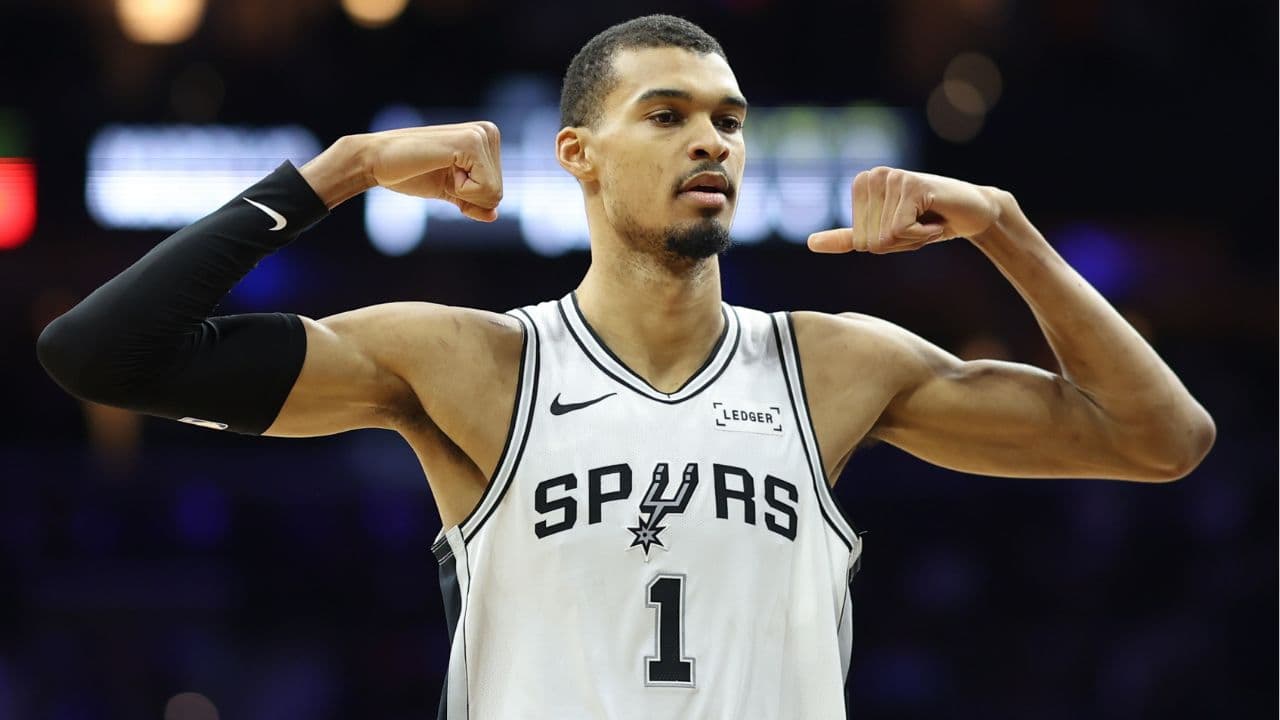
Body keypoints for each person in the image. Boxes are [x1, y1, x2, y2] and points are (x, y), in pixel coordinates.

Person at [36, 14, 1214, 720]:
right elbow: (100, 352)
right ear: (578, 156)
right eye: (666, 115)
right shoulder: (475, 360)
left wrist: (1006, 229)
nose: (711, 140)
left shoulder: (834, 365)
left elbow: (1159, 440)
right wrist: (340, 169)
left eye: (728, 120)